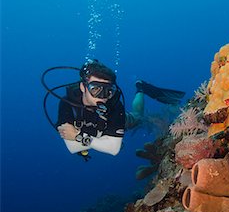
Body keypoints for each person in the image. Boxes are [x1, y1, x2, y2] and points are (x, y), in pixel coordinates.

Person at [57, 59, 185, 157]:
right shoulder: (68, 104)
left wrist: (79, 136)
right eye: (95, 89)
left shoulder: (114, 104)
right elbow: (72, 148)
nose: (102, 97)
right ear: (82, 87)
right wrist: (102, 142)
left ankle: (141, 88)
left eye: (108, 90)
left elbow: (114, 149)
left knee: (138, 117)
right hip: (100, 131)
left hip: (115, 123)